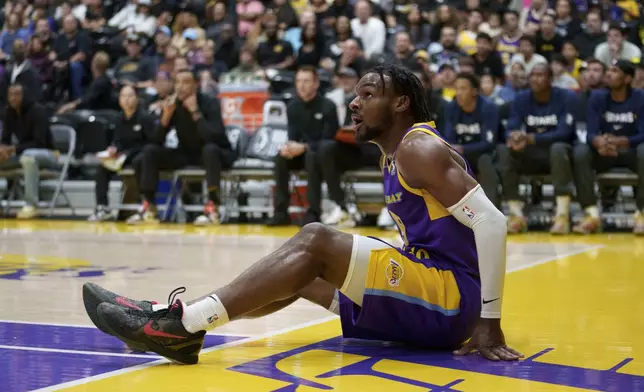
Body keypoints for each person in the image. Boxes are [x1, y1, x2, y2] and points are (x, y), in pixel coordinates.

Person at [82, 64, 522, 366]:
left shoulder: (417, 146)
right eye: (354, 96)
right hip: (432, 293)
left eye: (368, 95)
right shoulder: (393, 154)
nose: (354, 104)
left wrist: (489, 322)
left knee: (316, 241)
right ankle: (179, 318)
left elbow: (493, 221)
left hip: (453, 299)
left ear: (402, 104)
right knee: (296, 274)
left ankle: (180, 326)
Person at [127, 69, 236, 226]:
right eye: (177, 82)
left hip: (218, 153)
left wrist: (195, 112)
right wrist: (165, 118)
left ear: (195, 85)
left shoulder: (209, 102)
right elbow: (156, 140)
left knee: (209, 150)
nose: (180, 87)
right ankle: (149, 206)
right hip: (187, 153)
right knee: (149, 152)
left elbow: (214, 136)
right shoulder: (174, 104)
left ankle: (213, 206)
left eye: (185, 82)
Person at [498, 63, 577, 234]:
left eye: (540, 75)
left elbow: (565, 133)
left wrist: (532, 138)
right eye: (532, 75)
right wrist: (514, 137)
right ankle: (516, 213)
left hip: (559, 155)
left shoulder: (566, 97)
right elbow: (512, 126)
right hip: (532, 154)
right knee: (504, 151)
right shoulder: (521, 99)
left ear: (550, 79)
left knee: (558, 148)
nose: (535, 79)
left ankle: (562, 215)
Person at [572, 60, 644, 234]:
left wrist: (620, 141)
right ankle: (591, 213)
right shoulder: (597, 97)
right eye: (609, 70)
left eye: (614, 71)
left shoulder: (640, 98)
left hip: (630, 151)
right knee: (581, 152)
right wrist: (598, 142)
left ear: (627, 78)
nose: (608, 74)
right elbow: (590, 133)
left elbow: (643, 134)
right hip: (604, 152)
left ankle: (641, 213)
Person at [266, 66, 339, 226]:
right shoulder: (292, 107)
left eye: (306, 81)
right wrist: (289, 147)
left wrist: (304, 147)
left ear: (316, 83)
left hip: (322, 156)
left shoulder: (328, 106)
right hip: (301, 153)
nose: (301, 85)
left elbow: (328, 139)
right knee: (280, 158)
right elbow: (292, 136)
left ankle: (313, 211)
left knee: (312, 156)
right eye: (298, 81)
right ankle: (280, 212)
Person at [88, 85, 156, 222]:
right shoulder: (118, 119)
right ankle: (103, 207)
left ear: (137, 99)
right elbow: (117, 141)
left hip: (139, 155)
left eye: (130, 96)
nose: (127, 100)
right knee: (102, 168)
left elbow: (151, 143)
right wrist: (113, 149)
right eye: (123, 96)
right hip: (122, 157)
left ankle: (146, 204)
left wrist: (127, 153)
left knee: (141, 160)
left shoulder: (145, 118)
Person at [444, 73, 501, 208]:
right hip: (461, 154)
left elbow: (489, 143)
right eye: (457, 88)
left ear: (474, 91)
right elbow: (448, 139)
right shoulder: (451, 108)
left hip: (486, 152)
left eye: (463, 89)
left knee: (484, 160)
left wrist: (463, 149)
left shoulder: (489, 108)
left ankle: (491, 207)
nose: (458, 93)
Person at [0, 83, 55, 219]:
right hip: (22, 154)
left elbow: (39, 142)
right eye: (11, 95)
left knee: (28, 156)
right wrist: (2, 149)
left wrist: (13, 149)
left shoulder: (38, 111)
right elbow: (5, 139)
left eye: (17, 94)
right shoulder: (8, 112)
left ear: (25, 96)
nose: (13, 98)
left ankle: (31, 205)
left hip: (48, 154)